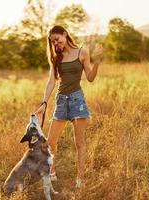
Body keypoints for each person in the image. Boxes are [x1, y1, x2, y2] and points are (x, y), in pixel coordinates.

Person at [35, 25, 103, 188]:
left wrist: (97, 61)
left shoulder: (82, 53)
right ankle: (52, 173)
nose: (55, 44)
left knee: (79, 142)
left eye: (57, 40)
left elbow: (90, 77)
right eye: (52, 42)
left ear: (65, 35)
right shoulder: (55, 57)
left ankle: (80, 178)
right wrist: (44, 102)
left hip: (77, 101)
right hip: (61, 101)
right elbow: (52, 81)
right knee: (51, 141)